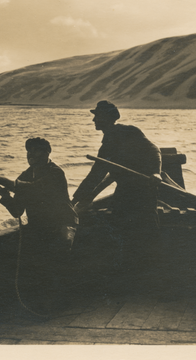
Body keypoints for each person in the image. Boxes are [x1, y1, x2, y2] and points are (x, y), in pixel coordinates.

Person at [0, 137, 77, 314]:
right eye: (29, 151)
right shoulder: (25, 176)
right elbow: (17, 212)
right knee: (37, 264)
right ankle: (43, 304)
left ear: (47, 153)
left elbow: (35, 188)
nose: (31, 154)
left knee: (56, 260)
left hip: (62, 224)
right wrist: (6, 197)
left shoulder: (55, 173)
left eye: (36, 150)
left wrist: (6, 181)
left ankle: (60, 303)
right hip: (39, 227)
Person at [72, 100, 162, 272]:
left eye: (97, 116)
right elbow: (97, 174)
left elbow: (154, 150)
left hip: (144, 189)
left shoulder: (129, 132)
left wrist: (156, 173)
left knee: (148, 230)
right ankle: (128, 271)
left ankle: (155, 275)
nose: (94, 120)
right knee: (121, 227)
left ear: (107, 117)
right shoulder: (107, 144)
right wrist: (77, 198)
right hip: (125, 189)